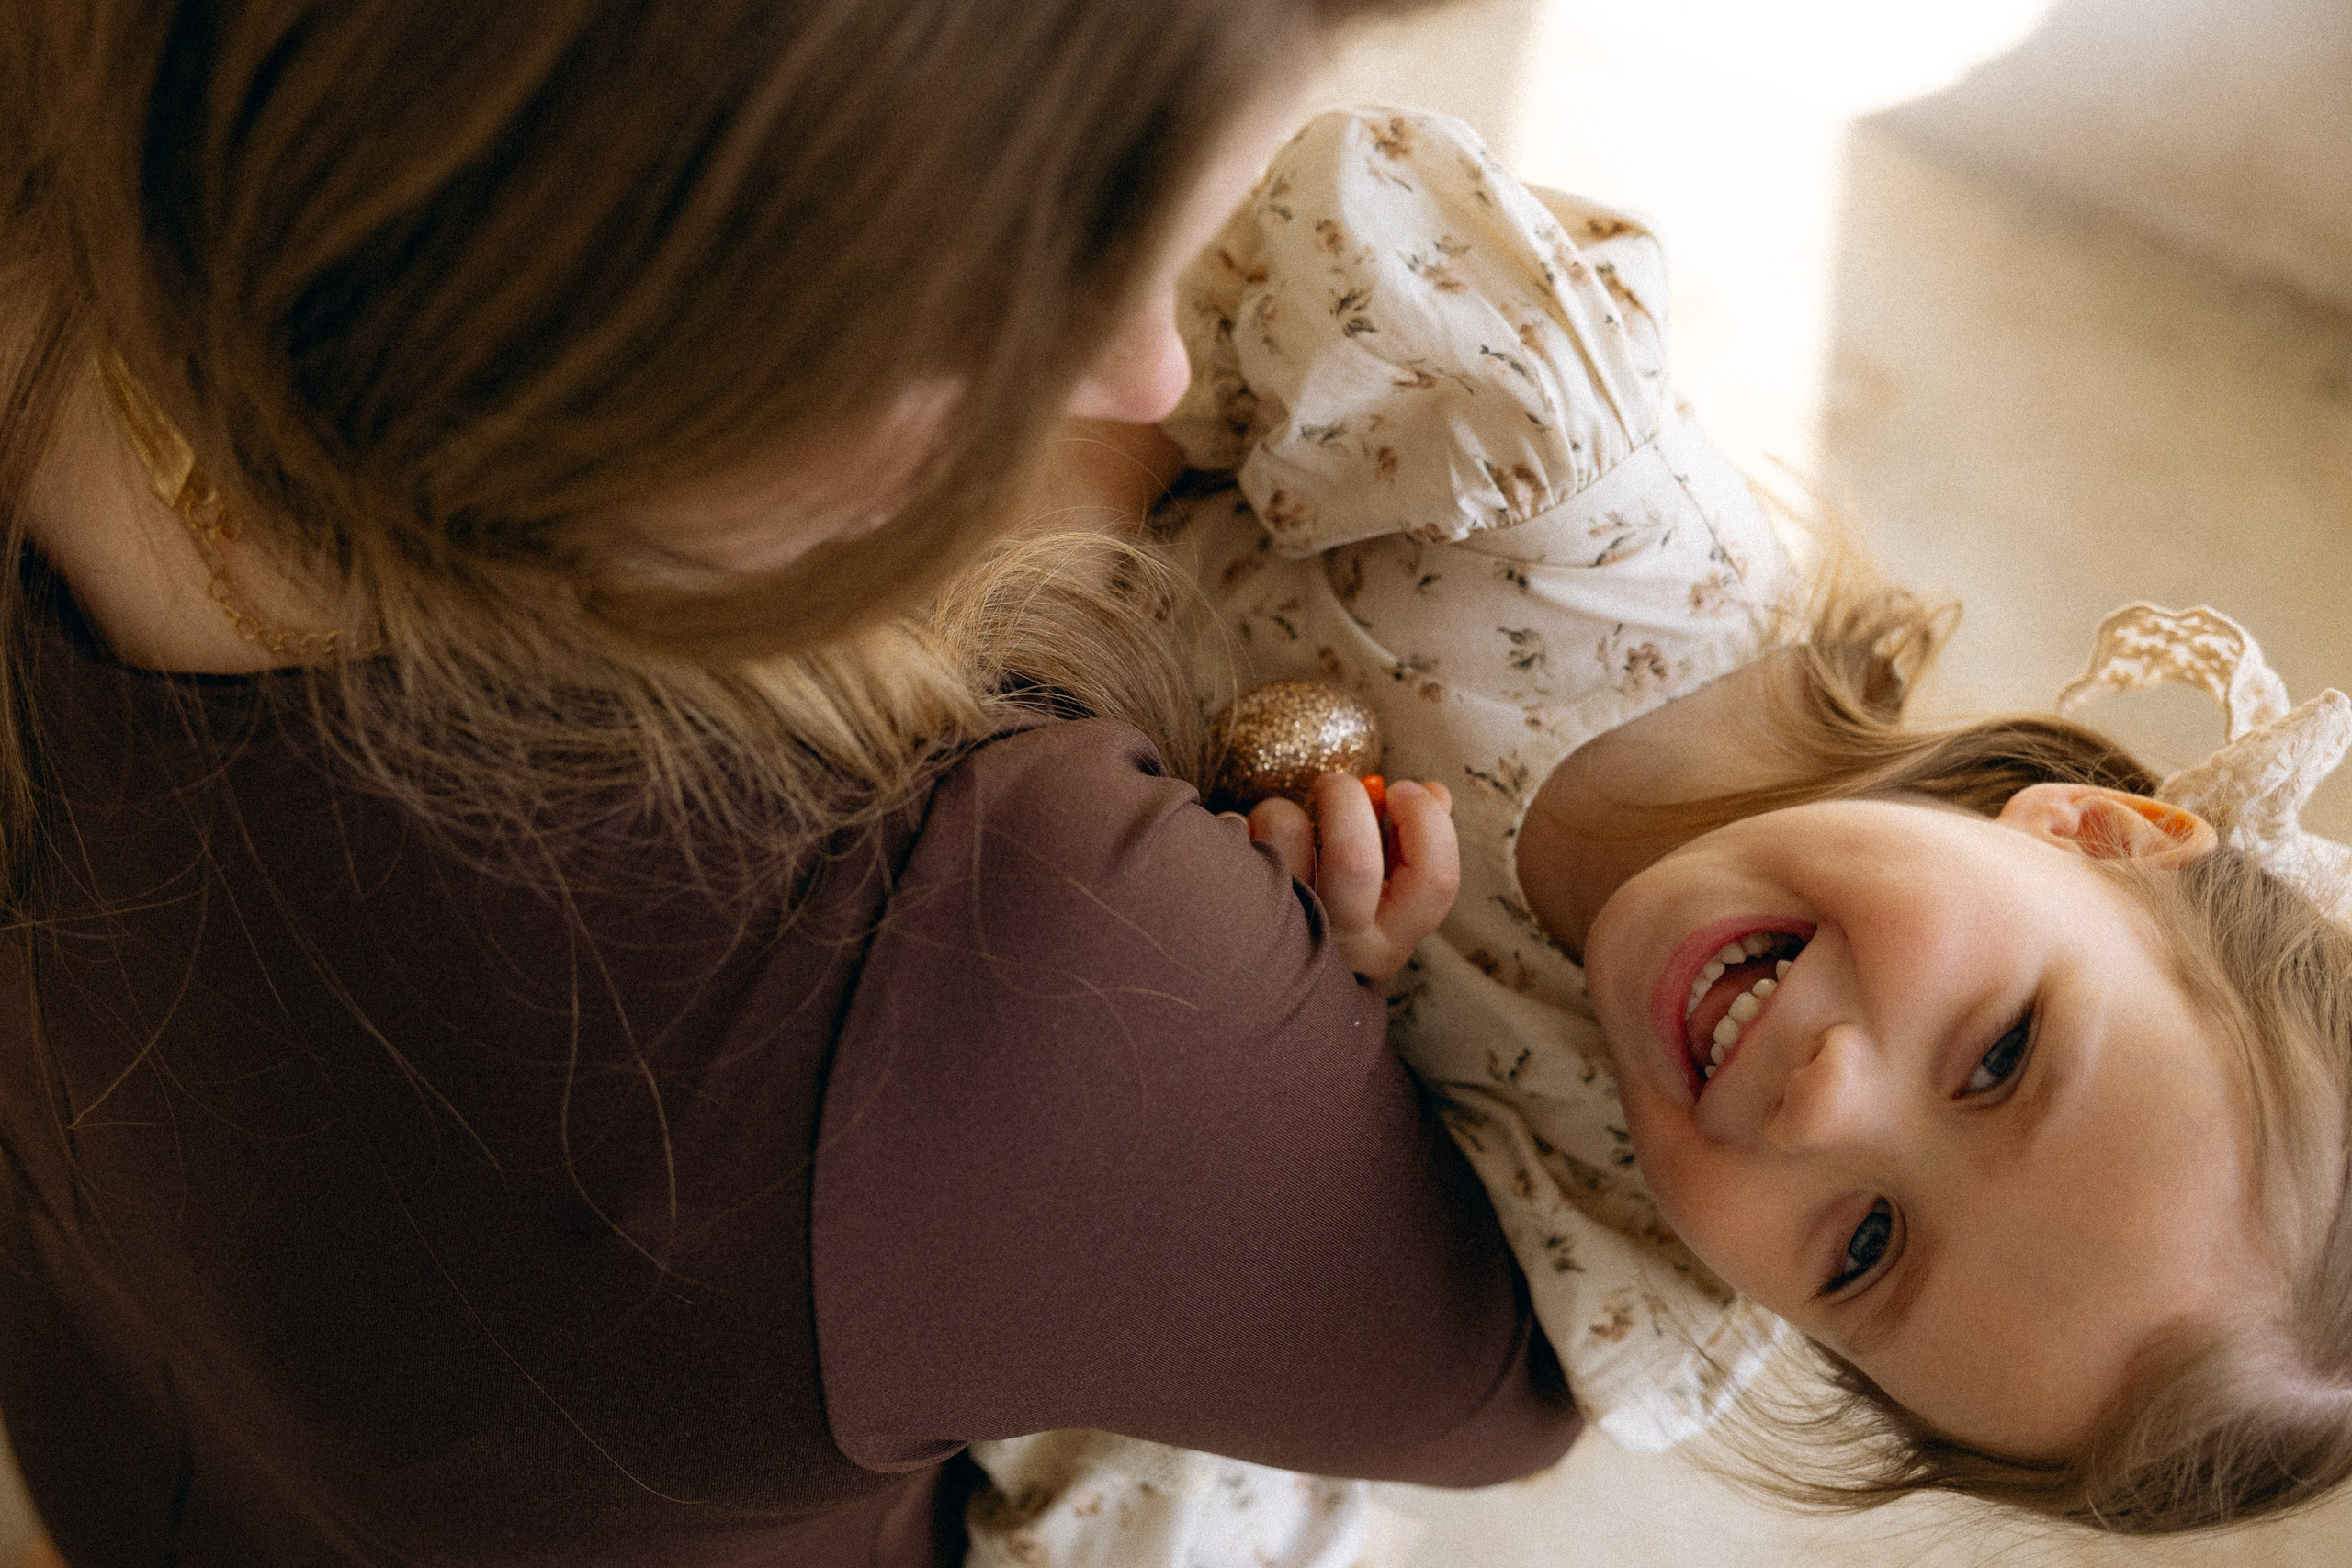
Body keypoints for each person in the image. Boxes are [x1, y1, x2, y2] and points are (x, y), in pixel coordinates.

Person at [0, 11, 1587, 1568]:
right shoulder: (978, 950)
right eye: (1029, 279)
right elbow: (1517, 1383)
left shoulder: (68, 178)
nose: (1150, 369)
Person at [964, 107, 2352, 1562]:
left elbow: (1284, 1213)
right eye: (1997, 1058)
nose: (1821, 1110)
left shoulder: (1602, 1215)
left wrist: (1323, 980)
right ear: (2097, 834)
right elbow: (1155, 312)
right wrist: (1044, 602)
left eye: (1865, 1247)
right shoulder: (1578, 502)